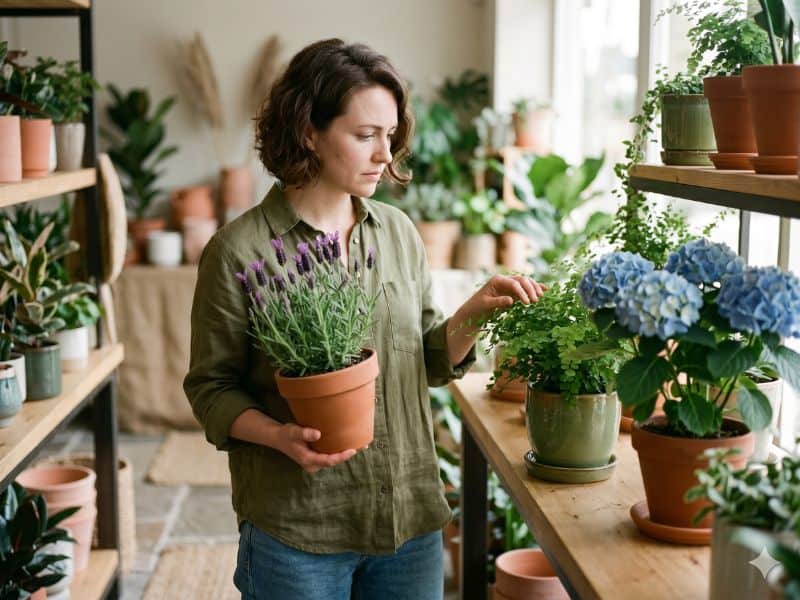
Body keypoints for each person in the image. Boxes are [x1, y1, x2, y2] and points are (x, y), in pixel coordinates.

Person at [183, 38, 544, 600]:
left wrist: (471, 314)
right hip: (297, 531)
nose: (386, 154)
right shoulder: (239, 251)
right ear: (309, 131)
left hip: (408, 523)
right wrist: (279, 436)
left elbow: (424, 360)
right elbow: (211, 389)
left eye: (390, 135)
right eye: (364, 135)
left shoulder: (399, 234)